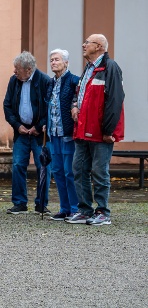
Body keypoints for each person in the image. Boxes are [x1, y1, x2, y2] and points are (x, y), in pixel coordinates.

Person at [66, 34, 124, 226]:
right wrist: (74, 106)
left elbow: (115, 101)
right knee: (79, 169)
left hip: (101, 132)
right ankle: (84, 210)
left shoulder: (110, 67)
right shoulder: (88, 69)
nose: (83, 45)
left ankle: (102, 212)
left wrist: (108, 131)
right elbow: (79, 92)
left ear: (98, 46)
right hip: (82, 129)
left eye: (87, 42)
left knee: (99, 171)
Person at [3, 51, 51, 215]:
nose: (14, 72)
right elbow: (7, 105)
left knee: (43, 167)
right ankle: (19, 203)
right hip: (21, 132)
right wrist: (17, 125)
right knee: (17, 165)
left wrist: (39, 126)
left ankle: (41, 204)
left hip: (39, 134)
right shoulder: (14, 81)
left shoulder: (44, 81)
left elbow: (50, 109)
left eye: (17, 69)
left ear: (28, 70)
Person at [46, 49, 80, 221]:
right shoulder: (50, 83)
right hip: (54, 134)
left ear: (66, 62)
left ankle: (75, 208)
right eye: (51, 60)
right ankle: (64, 208)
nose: (53, 63)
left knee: (69, 172)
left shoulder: (74, 80)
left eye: (57, 59)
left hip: (68, 134)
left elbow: (78, 101)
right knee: (57, 171)